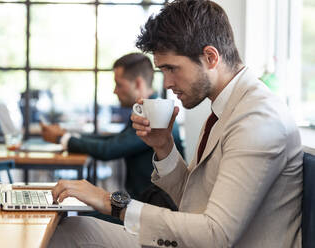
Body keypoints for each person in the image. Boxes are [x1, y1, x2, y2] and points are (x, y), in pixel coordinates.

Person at [47, 1, 303, 247]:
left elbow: (216, 236)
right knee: (72, 230)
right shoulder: (225, 108)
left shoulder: (257, 119)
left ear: (211, 57)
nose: (167, 83)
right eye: (162, 71)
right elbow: (194, 202)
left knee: (73, 236)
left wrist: (112, 202)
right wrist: (165, 148)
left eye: (172, 68)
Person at [41, 53, 183, 201]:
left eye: (119, 84)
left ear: (138, 83)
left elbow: (109, 149)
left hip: (150, 210)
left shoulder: (156, 118)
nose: (115, 91)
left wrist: (62, 138)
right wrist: (68, 135)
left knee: (74, 213)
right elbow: (115, 139)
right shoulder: (150, 110)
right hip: (141, 204)